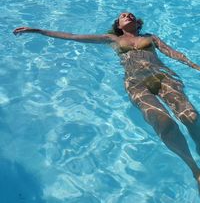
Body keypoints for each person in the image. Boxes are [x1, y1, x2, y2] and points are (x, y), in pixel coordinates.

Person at [13, 12, 200, 191]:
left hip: (164, 78)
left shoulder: (151, 38)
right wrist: (37, 30)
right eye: (123, 16)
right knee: (164, 123)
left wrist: (194, 66)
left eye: (131, 14)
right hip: (136, 84)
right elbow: (73, 36)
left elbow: (173, 53)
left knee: (191, 116)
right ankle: (194, 169)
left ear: (138, 23)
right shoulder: (113, 39)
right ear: (118, 25)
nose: (128, 16)